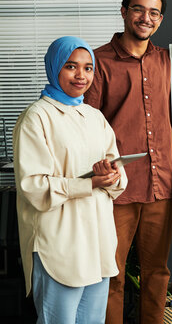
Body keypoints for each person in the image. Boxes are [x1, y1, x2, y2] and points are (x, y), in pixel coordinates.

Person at [83, 0, 172, 324]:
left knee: (157, 273)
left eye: (154, 12)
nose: (145, 17)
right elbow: (87, 125)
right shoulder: (98, 62)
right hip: (116, 189)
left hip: (161, 186)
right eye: (138, 9)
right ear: (124, 12)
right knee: (112, 274)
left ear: (160, 19)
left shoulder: (170, 59)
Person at [13, 36, 127, 323]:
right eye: (71, 66)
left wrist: (111, 174)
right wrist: (88, 184)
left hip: (97, 239)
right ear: (54, 68)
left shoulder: (94, 116)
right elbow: (33, 186)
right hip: (59, 240)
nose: (81, 76)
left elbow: (117, 175)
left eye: (88, 68)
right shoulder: (36, 117)